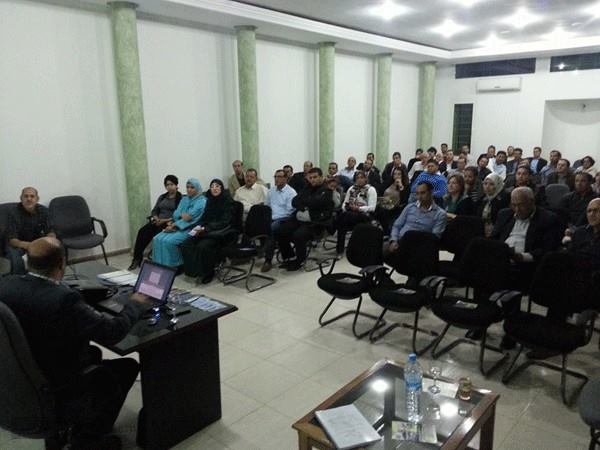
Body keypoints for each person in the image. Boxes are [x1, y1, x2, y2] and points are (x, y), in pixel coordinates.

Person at [0, 237, 151, 449]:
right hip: (57, 387)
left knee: (94, 353)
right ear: (62, 263)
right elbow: (112, 332)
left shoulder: (6, 285)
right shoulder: (64, 299)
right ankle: (88, 439)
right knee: (126, 367)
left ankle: (68, 433)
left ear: (27, 261)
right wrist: (135, 304)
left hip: (21, 379)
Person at [276, 168, 333, 271]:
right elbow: (294, 202)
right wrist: (307, 204)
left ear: (321, 177)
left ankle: (300, 261)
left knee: (298, 235)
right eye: (310, 178)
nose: (312, 180)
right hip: (300, 219)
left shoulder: (326, 191)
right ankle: (289, 257)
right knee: (281, 230)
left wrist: (305, 202)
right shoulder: (306, 188)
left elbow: (316, 203)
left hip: (315, 222)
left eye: (315, 177)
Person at [181, 179, 233, 283]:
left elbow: (225, 222)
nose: (214, 188)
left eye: (217, 186)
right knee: (186, 243)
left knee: (203, 246)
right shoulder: (209, 201)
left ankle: (208, 273)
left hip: (220, 232)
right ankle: (193, 271)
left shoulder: (227, 201)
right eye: (212, 186)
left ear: (222, 188)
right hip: (206, 231)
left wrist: (206, 228)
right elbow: (204, 217)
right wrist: (196, 226)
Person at [128, 175, 182, 270]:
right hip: (158, 221)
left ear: (176, 185)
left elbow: (178, 215)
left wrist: (163, 221)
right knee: (142, 232)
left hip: (169, 223)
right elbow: (154, 210)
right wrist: (156, 218)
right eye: (167, 185)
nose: (169, 187)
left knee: (157, 234)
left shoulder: (180, 198)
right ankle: (137, 259)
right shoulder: (162, 197)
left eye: (172, 184)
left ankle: (157, 260)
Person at [152, 178, 206, 268]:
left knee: (169, 242)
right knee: (157, 239)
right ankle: (160, 265)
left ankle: (175, 266)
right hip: (177, 225)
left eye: (192, 187)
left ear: (197, 188)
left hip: (190, 228)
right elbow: (176, 214)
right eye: (187, 187)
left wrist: (175, 224)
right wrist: (175, 221)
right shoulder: (185, 199)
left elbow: (190, 218)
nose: (189, 189)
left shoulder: (202, 201)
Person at [386, 181, 447, 256]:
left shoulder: (440, 214)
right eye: (417, 194)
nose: (419, 197)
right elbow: (397, 226)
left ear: (431, 193)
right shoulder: (410, 207)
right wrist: (394, 240)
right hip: (399, 241)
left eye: (423, 193)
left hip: (419, 248)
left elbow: (434, 238)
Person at [6, 187, 53, 274]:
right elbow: (12, 240)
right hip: (18, 244)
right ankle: (19, 279)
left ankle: (46, 278)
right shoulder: (13, 213)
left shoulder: (44, 211)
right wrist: (31, 246)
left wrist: (49, 242)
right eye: (26, 196)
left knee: (53, 248)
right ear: (21, 198)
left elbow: (50, 231)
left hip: (36, 241)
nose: (29, 199)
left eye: (32, 196)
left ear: (37, 199)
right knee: (15, 256)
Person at [262, 169, 297, 272]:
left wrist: (274, 218)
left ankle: (268, 260)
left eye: (280, 177)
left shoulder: (291, 192)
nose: (276, 179)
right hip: (271, 218)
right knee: (257, 225)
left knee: (271, 229)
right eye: (275, 177)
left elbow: (290, 211)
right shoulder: (271, 191)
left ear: (286, 179)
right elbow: (267, 206)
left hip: (284, 218)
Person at [335, 171, 377, 254]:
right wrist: (345, 208)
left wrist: (359, 208)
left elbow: (372, 208)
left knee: (343, 218)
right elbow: (345, 202)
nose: (359, 180)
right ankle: (340, 250)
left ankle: (333, 228)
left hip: (364, 215)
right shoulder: (351, 188)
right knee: (343, 220)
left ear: (366, 179)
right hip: (350, 214)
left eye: (362, 178)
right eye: (357, 178)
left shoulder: (371, 189)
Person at [476, 173, 510, 237]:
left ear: (498, 185)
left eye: (491, 184)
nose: (487, 187)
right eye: (485, 184)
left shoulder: (503, 199)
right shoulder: (483, 198)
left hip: (496, 232)